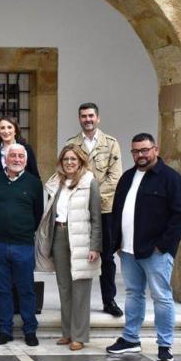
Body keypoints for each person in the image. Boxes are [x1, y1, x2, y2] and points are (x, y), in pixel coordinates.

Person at [106, 133, 181, 361]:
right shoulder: (127, 177)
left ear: (156, 149)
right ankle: (131, 339)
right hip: (128, 250)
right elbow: (117, 212)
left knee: (161, 297)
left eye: (144, 150)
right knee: (133, 294)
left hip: (155, 252)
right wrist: (116, 243)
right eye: (135, 151)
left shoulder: (172, 180)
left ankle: (165, 344)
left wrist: (162, 245)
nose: (140, 155)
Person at [64, 103, 123, 318]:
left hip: (105, 209)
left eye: (91, 116)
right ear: (79, 119)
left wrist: (92, 195)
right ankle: (76, 305)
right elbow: (67, 172)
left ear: (97, 118)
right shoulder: (72, 143)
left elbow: (114, 177)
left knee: (106, 256)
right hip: (78, 208)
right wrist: (83, 196)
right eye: (83, 116)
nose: (87, 119)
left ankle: (109, 300)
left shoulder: (111, 144)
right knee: (78, 254)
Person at [41, 145, 101, 351]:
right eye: (66, 159)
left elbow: (96, 218)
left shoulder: (89, 182)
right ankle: (67, 333)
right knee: (64, 287)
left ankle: (79, 335)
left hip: (81, 240)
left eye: (73, 159)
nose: (69, 163)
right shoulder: (56, 183)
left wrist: (95, 246)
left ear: (81, 161)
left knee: (81, 289)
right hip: (59, 235)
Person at [0, 143, 43, 346]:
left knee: (26, 289)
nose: (17, 159)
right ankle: (5, 330)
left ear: (26, 160)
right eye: (13, 156)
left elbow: (38, 215)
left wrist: (25, 231)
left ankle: (29, 330)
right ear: (5, 159)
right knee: (2, 289)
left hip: (23, 246)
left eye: (21, 156)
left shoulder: (34, 183)